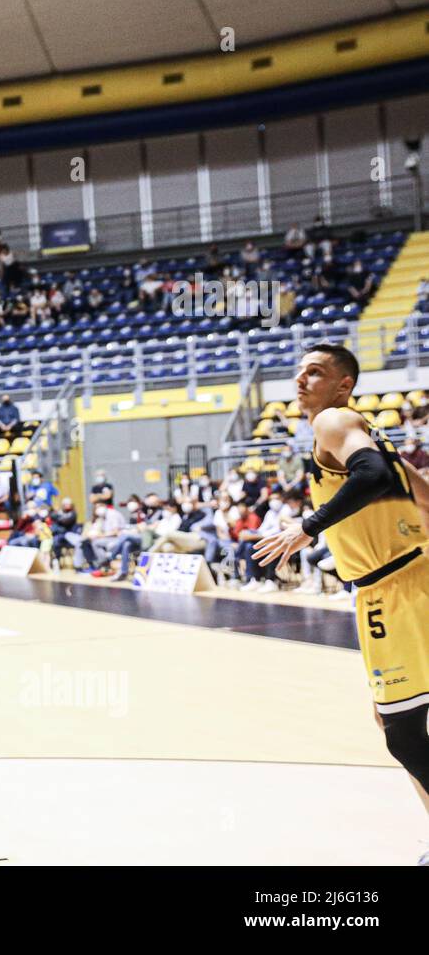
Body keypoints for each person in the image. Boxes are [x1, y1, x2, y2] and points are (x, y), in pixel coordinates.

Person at [254, 343, 429, 865]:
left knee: (403, 733)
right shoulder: (362, 433)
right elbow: (414, 490)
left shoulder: (334, 420)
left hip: (399, 588)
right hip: (398, 581)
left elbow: (371, 476)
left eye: (316, 371)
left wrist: (306, 528)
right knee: (393, 720)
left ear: (343, 384)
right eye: (299, 371)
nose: (302, 380)